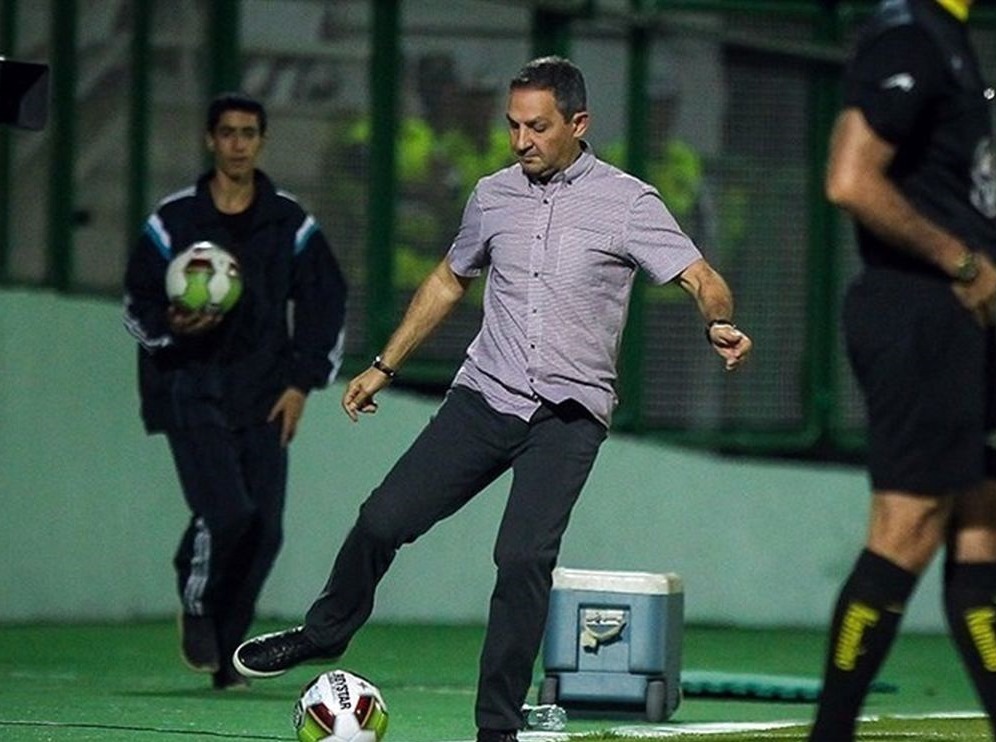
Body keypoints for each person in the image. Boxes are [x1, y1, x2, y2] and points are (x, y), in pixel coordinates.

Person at [233, 56, 751, 741]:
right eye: (513, 126)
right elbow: (449, 279)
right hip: (486, 395)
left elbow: (700, 277)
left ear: (578, 123)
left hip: (568, 415)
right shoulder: (492, 195)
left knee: (523, 559)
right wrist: (385, 364)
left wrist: (717, 321)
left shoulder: (629, 202)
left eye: (537, 127)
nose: (520, 141)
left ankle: (497, 729)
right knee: (382, 520)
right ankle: (326, 632)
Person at [810, 1, 996, 739]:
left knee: (985, 523)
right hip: (919, 308)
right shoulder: (909, 34)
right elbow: (850, 178)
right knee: (907, 525)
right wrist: (960, 260)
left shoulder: (947, 36)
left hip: (959, 318)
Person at [122, 92, 347, 690]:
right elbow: (137, 302)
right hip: (186, 387)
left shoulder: (289, 222)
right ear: (210, 140)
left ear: (262, 141)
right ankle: (197, 603)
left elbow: (326, 300)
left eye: (249, 133)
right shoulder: (173, 221)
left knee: (264, 531)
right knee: (227, 512)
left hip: (265, 393)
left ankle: (228, 656)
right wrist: (173, 324)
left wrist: (301, 384)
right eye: (227, 133)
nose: (238, 144)